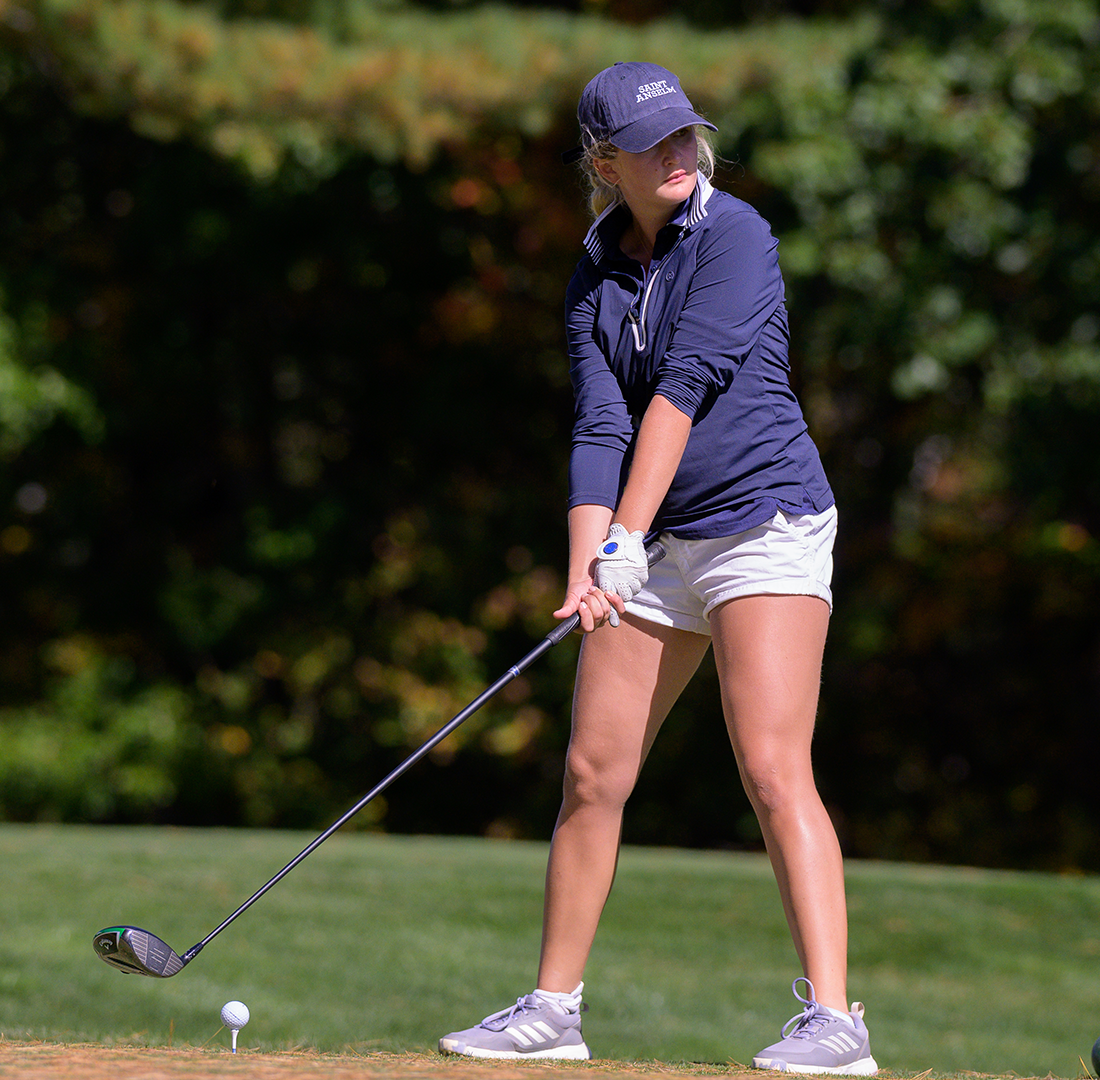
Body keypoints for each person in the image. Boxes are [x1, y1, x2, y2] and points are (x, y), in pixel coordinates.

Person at [436, 61, 874, 1076]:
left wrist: (625, 542)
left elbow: (679, 395)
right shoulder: (594, 272)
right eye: (654, 143)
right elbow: (600, 424)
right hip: (659, 542)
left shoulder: (738, 237)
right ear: (605, 163)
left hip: (764, 524)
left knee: (771, 767)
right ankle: (552, 1010)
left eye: (687, 135)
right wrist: (592, 565)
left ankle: (836, 1022)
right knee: (593, 771)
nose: (679, 153)